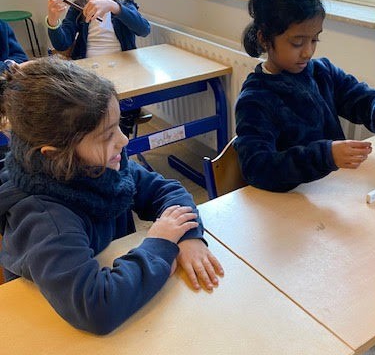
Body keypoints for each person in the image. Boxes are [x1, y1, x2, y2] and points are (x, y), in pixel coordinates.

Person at [0, 57, 223, 335]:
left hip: (119, 295)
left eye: (119, 125)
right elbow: (97, 307)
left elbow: (166, 190)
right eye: (106, 136)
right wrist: (160, 244)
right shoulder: (44, 219)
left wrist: (187, 236)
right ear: (56, 155)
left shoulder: (103, 166)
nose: (123, 140)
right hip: (50, 333)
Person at [235, 0, 375, 192]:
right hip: (290, 200)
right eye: (297, 42)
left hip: (332, 190)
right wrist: (325, 156)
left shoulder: (322, 72)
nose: (308, 52)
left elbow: (360, 98)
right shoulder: (256, 98)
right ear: (264, 39)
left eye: (314, 39)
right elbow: (258, 168)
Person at [45, 0, 151, 134]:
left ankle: (119, 139)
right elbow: (62, 44)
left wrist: (114, 7)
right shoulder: (78, 8)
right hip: (88, 77)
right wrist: (53, 21)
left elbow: (144, 29)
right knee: (85, 116)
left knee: (117, 114)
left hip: (123, 78)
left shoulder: (125, 7)